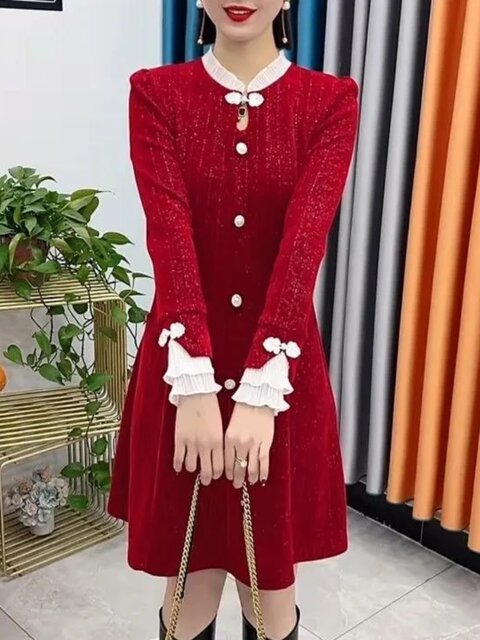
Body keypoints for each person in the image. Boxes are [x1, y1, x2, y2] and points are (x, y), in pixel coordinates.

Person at [107, 1, 359, 639]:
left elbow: (303, 249)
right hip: (181, 372)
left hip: (279, 379)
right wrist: (193, 384)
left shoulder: (329, 103)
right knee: (187, 589)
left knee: (269, 594)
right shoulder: (157, 94)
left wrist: (261, 391)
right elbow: (169, 238)